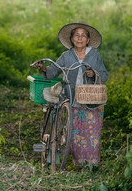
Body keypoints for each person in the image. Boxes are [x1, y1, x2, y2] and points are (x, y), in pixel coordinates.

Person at [33, 22, 109, 167]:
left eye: (83, 36)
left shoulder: (94, 55)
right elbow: (54, 71)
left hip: (91, 100)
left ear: (87, 40)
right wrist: (43, 68)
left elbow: (104, 75)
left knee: (91, 133)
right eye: (76, 35)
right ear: (72, 39)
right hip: (71, 98)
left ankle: (91, 163)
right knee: (74, 134)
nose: (80, 38)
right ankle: (80, 163)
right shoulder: (66, 56)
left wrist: (94, 73)